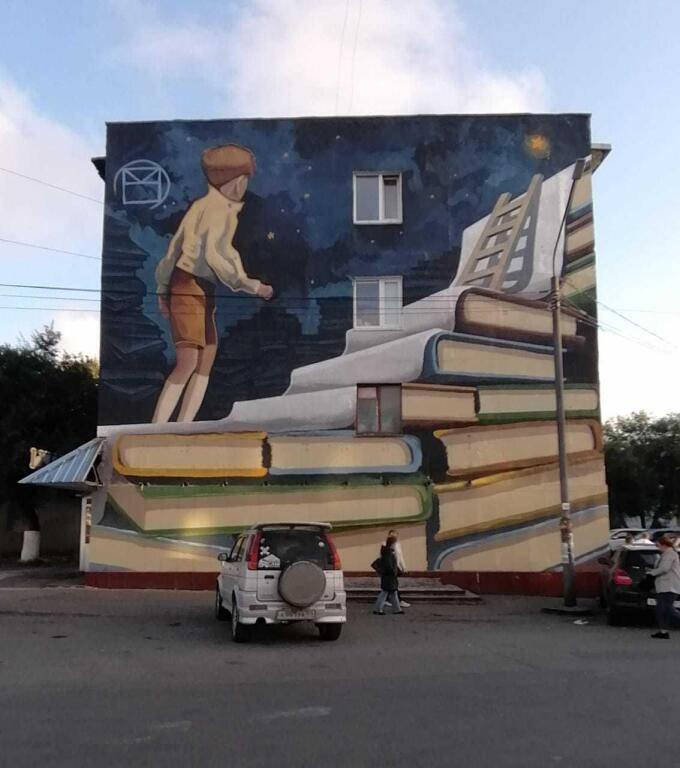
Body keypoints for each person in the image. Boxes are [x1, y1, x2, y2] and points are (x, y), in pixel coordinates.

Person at [152, 143, 274, 423]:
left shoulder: (204, 206)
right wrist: (252, 286)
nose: (245, 186)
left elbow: (174, 249)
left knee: (206, 357)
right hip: (188, 285)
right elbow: (217, 256)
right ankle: (158, 426)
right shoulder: (219, 211)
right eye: (245, 180)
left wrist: (162, 287)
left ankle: (183, 426)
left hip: (198, 287)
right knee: (189, 360)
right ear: (236, 182)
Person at [647, 534, 680, 639]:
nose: (657, 548)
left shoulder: (670, 554)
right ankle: (663, 631)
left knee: (667, 608)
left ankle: (664, 630)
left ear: (663, 544)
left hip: (669, 586)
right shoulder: (665, 554)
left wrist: (652, 573)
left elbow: (664, 568)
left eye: (658, 545)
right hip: (663, 586)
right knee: (661, 609)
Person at [373, 535, 404, 616]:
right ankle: (378, 609)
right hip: (389, 576)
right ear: (392, 544)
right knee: (385, 592)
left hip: (388, 576)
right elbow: (389, 565)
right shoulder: (388, 553)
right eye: (395, 543)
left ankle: (397, 609)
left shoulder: (387, 552)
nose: (396, 545)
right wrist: (394, 572)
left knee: (393, 592)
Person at [385, 529, 410, 608]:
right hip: (389, 568)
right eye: (392, 535)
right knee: (393, 584)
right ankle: (398, 601)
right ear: (389, 535)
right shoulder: (385, 544)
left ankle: (387, 600)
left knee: (391, 585)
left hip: (395, 567)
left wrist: (403, 567)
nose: (393, 537)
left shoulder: (397, 544)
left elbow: (400, 556)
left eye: (395, 535)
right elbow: (381, 556)